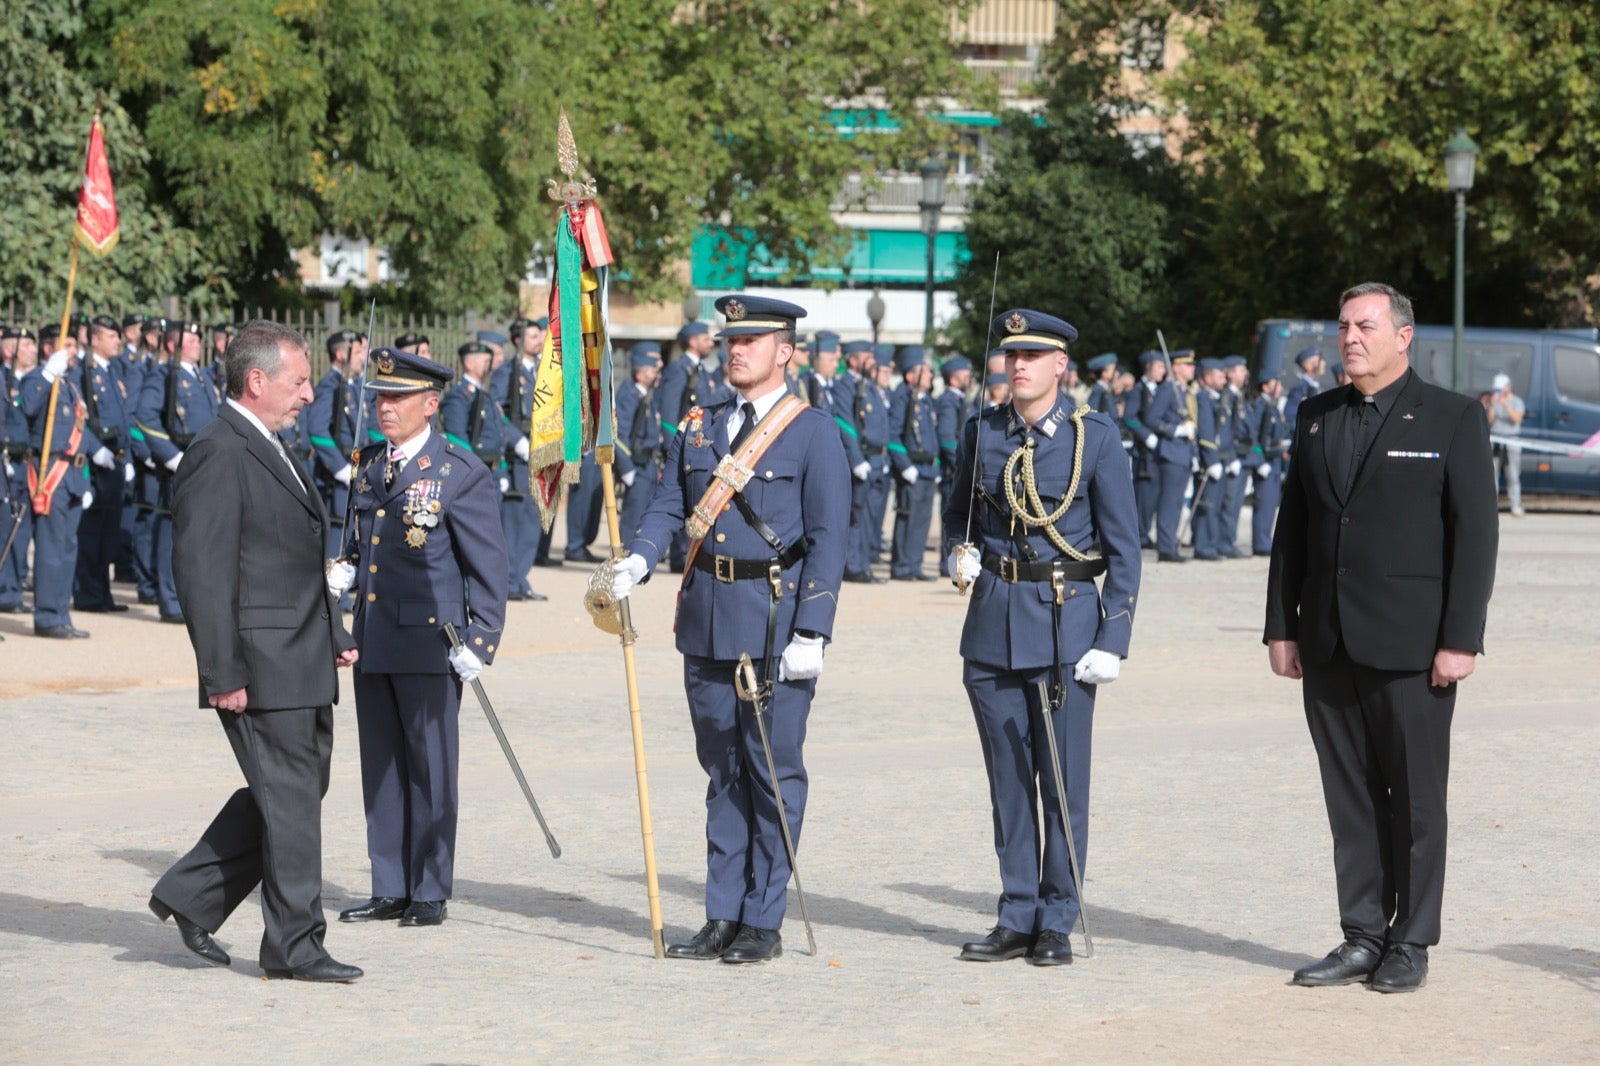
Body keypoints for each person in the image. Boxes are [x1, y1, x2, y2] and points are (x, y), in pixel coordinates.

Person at [1265, 282, 1497, 994]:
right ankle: (1362, 934)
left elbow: (1475, 536)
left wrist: (1461, 639)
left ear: (1404, 335)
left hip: (1413, 648)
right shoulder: (1316, 415)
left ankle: (1412, 939)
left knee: (1417, 802)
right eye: (1342, 326)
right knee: (1351, 799)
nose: (1349, 337)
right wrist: (1282, 627)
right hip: (1330, 642)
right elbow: (1294, 531)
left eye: (1364, 325)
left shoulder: (1454, 418)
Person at [611, 294, 850, 964]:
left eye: (752, 340)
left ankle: (762, 917)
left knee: (770, 771)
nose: (736, 349)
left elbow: (830, 540)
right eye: (730, 340)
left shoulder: (813, 432)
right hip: (708, 616)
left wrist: (815, 631)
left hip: (774, 620)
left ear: (786, 351)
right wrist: (639, 557)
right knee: (721, 771)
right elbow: (668, 504)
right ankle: (722, 911)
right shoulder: (700, 425)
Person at [149, 319, 363, 983]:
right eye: (299, 381)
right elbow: (204, 570)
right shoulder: (219, 449)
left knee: (296, 789)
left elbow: (291, 556)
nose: (309, 393)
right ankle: (295, 945)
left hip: (300, 654)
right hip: (258, 664)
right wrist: (222, 671)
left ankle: (192, 893)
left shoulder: (265, 442)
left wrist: (335, 631)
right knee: (292, 799)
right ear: (257, 380)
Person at [943, 308, 1141, 966]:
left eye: (1033, 356)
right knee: (1007, 783)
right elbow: (956, 518)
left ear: (1061, 365)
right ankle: (1017, 909)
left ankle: (1057, 915)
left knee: (1060, 783)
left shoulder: (1094, 439)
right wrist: (955, 555)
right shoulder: (982, 434)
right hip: (993, 626)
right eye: (1010, 355)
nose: (1018, 365)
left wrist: (1113, 638)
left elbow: (1125, 549)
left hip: (1064, 626)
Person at [328, 347, 510, 930]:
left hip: (432, 641)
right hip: (376, 637)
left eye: (398, 398)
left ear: (430, 404)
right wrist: (344, 571)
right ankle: (390, 884)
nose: (386, 407)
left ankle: (429, 888)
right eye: (381, 397)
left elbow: (488, 565)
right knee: (380, 766)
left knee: (430, 768)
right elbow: (365, 543)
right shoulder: (370, 465)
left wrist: (481, 639)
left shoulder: (458, 471)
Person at [19, 324, 108, 637]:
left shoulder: (69, 384)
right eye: (68, 345)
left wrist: (98, 452)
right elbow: (27, 406)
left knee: (68, 548)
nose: (74, 351)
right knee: (51, 548)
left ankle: (60, 613)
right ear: (50, 349)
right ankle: (46, 617)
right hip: (51, 472)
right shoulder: (39, 380)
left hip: (73, 475)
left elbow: (80, 428)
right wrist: (46, 375)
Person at [136, 320, 222, 623]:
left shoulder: (201, 377)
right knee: (174, 535)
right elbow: (145, 418)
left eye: (200, 339)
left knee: (202, 537)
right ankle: (170, 600)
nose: (199, 343)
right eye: (192, 340)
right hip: (180, 465)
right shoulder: (163, 374)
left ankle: (193, 599)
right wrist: (172, 457)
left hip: (206, 464)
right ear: (172, 346)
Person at [74, 315, 136, 613]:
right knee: (91, 533)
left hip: (116, 462)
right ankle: (88, 594)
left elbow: (124, 418)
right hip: (96, 463)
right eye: (111, 336)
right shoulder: (82, 371)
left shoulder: (113, 371)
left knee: (108, 533)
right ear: (95, 338)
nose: (118, 341)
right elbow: (77, 417)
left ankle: (102, 592)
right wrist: (96, 449)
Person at [492, 316, 550, 593]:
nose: (539, 340)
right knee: (515, 520)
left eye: (540, 336)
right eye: (532, 336)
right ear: (518, 340)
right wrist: (516, 442)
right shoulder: (507, 372)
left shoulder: (543, 371)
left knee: (534, 518)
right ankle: (510, 579)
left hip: (542, 453)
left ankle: (521, 577)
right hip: (519, 457)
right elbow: (496, 413)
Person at [832, 339, 888, 583]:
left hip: (875, 458)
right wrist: (856, 459)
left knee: (870, 518)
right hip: (862, 458)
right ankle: (853, 565)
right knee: (857, 517)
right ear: (853, 360)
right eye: (867, 355)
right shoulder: (846, 385)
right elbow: (845, 422)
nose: (872, 360)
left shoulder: (869, 385)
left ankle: (863, 562)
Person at [887, 345, 938, 581]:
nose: (929, 375)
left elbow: (931, 436)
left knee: (922, 521)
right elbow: (894, 435)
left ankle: (915, 563)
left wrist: (935, 464)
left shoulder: (926, 401)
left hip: (927, 469)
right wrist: (905, 465)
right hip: (912, 468)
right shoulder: (902, 398)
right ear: (910, 375)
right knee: (908, 517)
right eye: (924, 370)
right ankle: (902, 565)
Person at [615, 341, 665, 540]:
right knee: (633, 517)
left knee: (647, 516)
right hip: (637, 465)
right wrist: (627, 469)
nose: (657, 374)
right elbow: (619, 436)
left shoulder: (646, 395)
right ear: (641, 374)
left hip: (648, 464)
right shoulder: (629, 395)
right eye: (654, 370)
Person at [934, 355, 973, 577]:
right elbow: (947, 438)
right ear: (953, 377)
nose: (969, 377)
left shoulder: (960, 400)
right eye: (964, 373)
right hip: (954, 471)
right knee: (952, 519)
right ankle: (947, 563)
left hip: (960, 468)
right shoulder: (949, 401)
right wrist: (964, 461)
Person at [1191, 358, 1232, 561]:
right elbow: (1206, 433)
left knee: (1216, 504)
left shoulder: (1218, 398)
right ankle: (1204, 546)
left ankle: (1211, 544)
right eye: (1219, 375)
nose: (1224, 378)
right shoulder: (1203, 398)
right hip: (1211, 461)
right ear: (1207, 378)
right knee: (1208, 504)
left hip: (1221, 458)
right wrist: (1211, 459)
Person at [1246, 369, 1289, 556]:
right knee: (1264, 504)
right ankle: (1261, 543)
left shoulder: (1272, 406)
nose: (1279, 387)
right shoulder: (1260, 406)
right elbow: (1254, 437)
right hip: (1266, 461)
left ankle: (1265, 540)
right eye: (1275, 384)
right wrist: (1259, 460)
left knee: (1270, 505)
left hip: (1275, 461)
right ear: (1265, 386)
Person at [1488, 372, 1525, 517]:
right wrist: (1492, 404)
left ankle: (1515, 505)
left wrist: (1505, 404)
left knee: (1513, 475)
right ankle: (1492, 506)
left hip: (1512, 441)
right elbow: (1489, 420)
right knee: (1492, 474)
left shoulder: (1517, 401)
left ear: (1507, 387)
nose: (1498, 392)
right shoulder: (1494, 400)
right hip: (1495, 440)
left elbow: (1516, 419)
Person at [1282, 346, 1324, 431]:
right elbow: (1290, 417)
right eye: (1318, 361)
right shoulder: (1300, 388)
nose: (1323, 363)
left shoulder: (1317, 387)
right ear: (1307, 366)